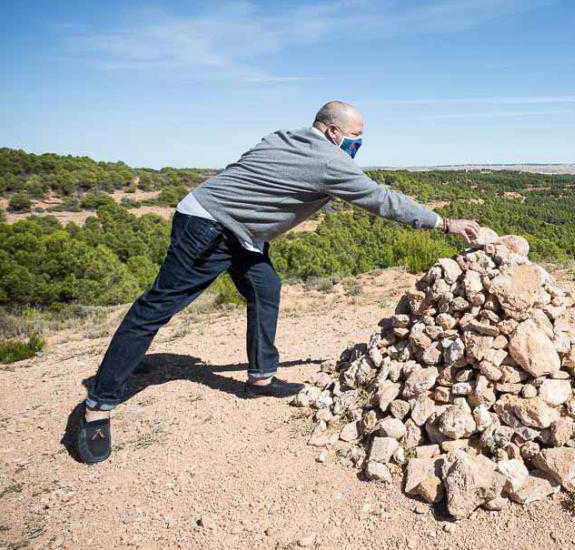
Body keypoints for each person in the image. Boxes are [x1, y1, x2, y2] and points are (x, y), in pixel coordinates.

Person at [74, 101, 481, 464]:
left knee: (265, 287)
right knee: (157, 307)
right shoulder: (329, 160)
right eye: (356, 136)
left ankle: (261, 377)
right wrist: (444, 223)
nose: (359, 144)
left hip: (242, 232)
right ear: (333, 131)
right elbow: (383, 200)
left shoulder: (283, 136)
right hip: (208, 226)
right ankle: (99, 404)